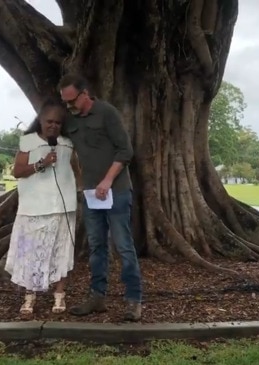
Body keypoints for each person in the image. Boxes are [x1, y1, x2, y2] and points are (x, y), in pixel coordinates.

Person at [58, 73, 143, 321]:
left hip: (116, 192)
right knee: (96, 246)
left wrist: (107, 180)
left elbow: (125, 150)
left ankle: (133, 300)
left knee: (124, 246)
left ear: (85, 94)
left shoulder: (107, 113)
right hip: (91, 196)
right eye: (65, 102)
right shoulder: (70, 120)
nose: (69, 106)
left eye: (72, 101)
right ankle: (97, 297)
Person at [6, 99, 80, 316]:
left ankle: (59, 295)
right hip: (33, 208)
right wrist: (42, 164)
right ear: (40, 120)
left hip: (62, 207)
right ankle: (29, 297)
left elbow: (75, 170)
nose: (53, 126)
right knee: (31, 252)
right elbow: (17, 171)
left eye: (58, 122)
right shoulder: (28, 141)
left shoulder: (67, 143)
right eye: (49, 121)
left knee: (61, 252)